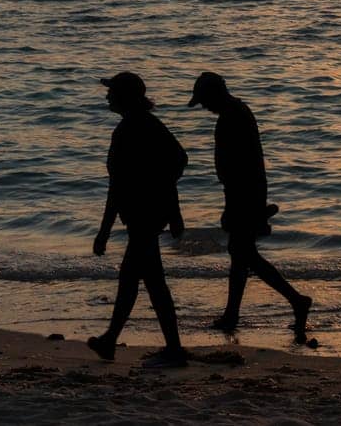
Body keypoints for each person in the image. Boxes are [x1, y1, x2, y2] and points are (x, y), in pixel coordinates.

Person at [188, 71, 312, 338]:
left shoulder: (232, 118)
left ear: (215, 95)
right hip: (247, 194)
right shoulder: (238, 113)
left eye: (204, 101)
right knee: (240, 256)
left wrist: (237, 206)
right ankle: (234, 313)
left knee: (244, 255)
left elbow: (239, 169)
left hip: (243, 196)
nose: (204, 107)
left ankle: (296, 300)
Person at [88, 71, 189, 368]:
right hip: (150, 215)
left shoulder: (129, 130)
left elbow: (116, 186)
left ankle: (172, 349)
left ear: (124, 97)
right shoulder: (149, 125)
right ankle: (111, 340)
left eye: (112, 92)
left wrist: (104, 232)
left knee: (147, 283)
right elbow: (177, 161)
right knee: (136, 280)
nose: (107, 96)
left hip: (143, 217)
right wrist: (172, 209)